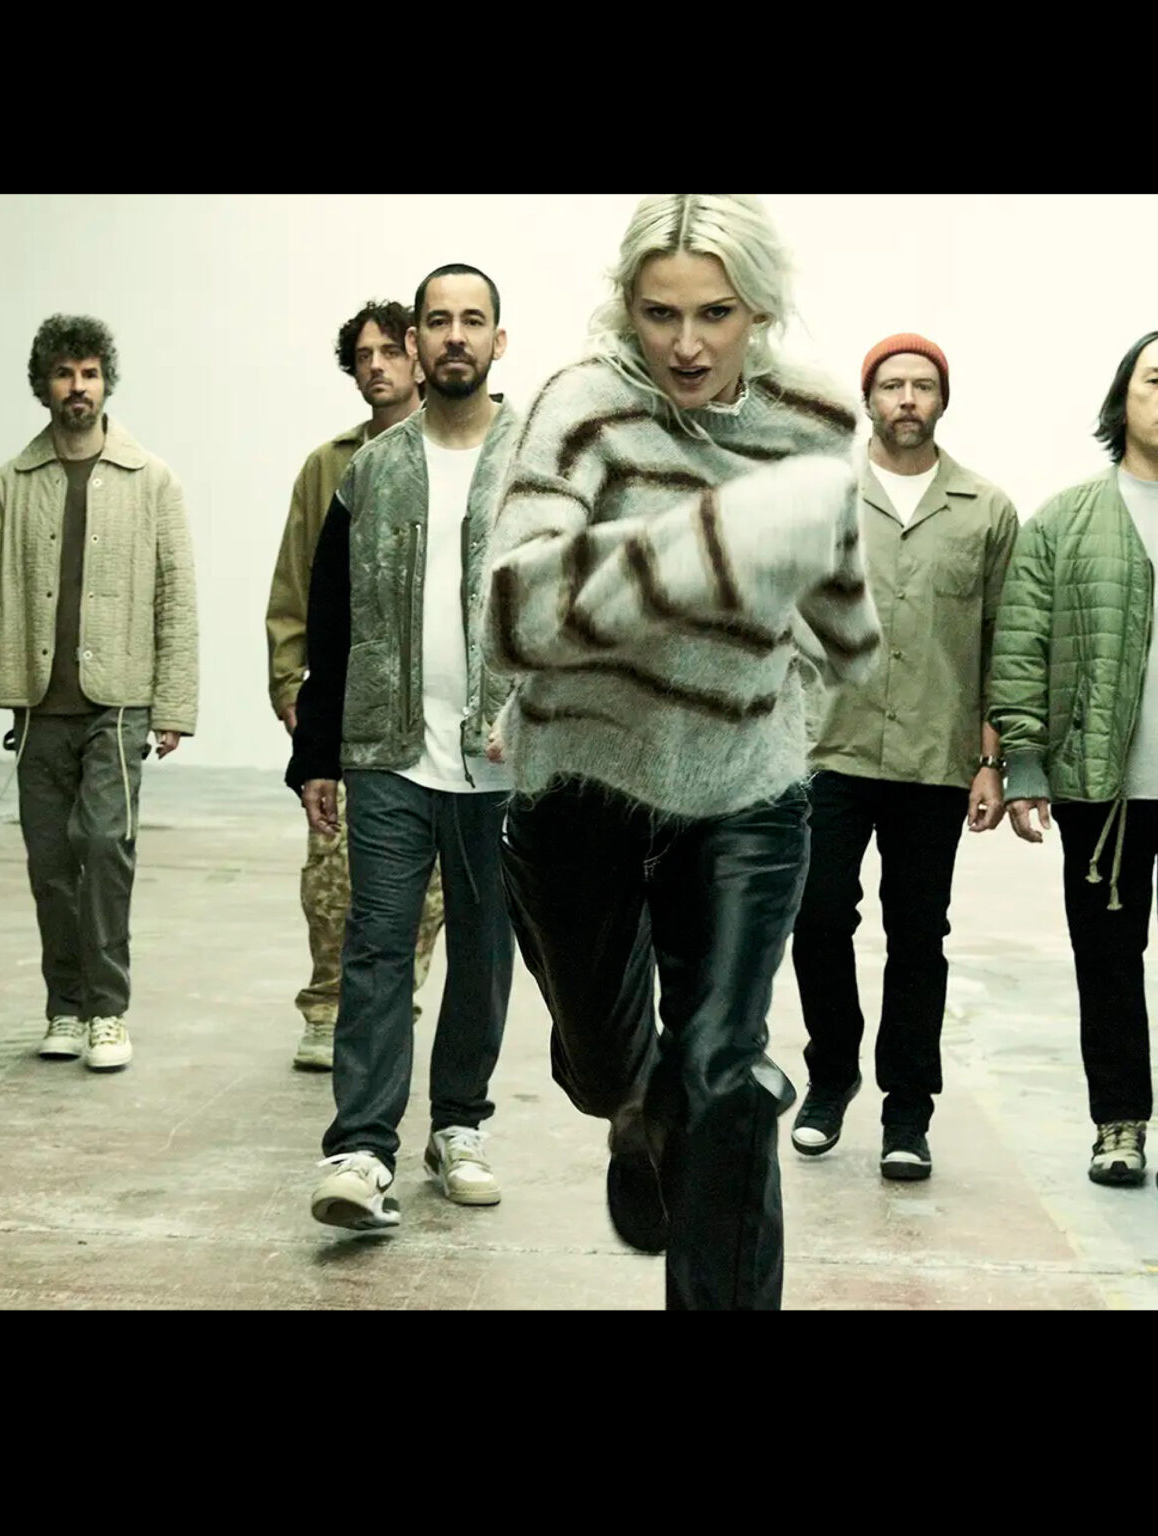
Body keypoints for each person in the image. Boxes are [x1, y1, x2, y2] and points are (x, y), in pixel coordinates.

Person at [484, 194, 881, 1310]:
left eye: (717, 314)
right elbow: (513, 610)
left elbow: (836, 603)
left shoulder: (814, 415)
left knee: (726, 1078)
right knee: (606, 1069)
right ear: (629, 307)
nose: (689, 344)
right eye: (662, 314)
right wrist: (715, 543)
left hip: (748, 788)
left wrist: (835, 623)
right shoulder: (579, 407)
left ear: (760, 310)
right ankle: (633, 1109)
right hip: (584, 787)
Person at [287, 264, 518, 1231]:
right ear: (416, 341)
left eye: (473, 320)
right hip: (387, 749)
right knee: (377, 947)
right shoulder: (371, 471)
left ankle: (458, 1124)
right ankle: (361, 1150)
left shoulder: (538, 462)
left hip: (504, 759)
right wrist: (316, 755)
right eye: (438, 320)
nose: (455, 335)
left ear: (499, 340)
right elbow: (330, 614)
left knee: (485, 954)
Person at [991, 328, 1158, 1220]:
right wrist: (1024, 762)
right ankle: (1118, 1122)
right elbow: (1020, 646)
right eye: (1154, 379)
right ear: (1123, 399)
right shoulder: (1063, 520)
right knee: (1109, 962)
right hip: (1098, 788)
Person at [0, 314, 198, 1073]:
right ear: (42, 385)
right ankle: (65, 1005)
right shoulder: (8, 485)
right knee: (50, 863)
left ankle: (107, 1011)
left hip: (118, 705)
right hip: (37, 704)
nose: (77, 387)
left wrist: (174, 706)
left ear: (106, 382)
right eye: (63, 374)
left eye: (89, 373)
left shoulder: (152, 480)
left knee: (105, 847)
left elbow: (176, 595)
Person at [788, 335, 1019, 1180]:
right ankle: (831, 1074)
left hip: (934, 755)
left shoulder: (985, 510)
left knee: (919, 935)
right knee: (817, 917)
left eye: (924, 385)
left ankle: (907, 1112)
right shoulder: (823, 499)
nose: (908, 399)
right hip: (829, 748)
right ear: (869, 399)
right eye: (893, 386)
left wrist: (993, 759)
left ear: (943, 400)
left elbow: (1003, 641)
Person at [265, 301, 445, 1072]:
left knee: (427, 884)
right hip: (347, 701)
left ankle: (394, 999)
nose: (376, 365)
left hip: (433, 703)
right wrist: (290, 683)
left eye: (389, 352)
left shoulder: (452, 452)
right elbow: (294, 583)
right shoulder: (329, 465)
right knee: (332, 867)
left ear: (418, 358)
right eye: (363, 355)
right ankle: (328, 1002)